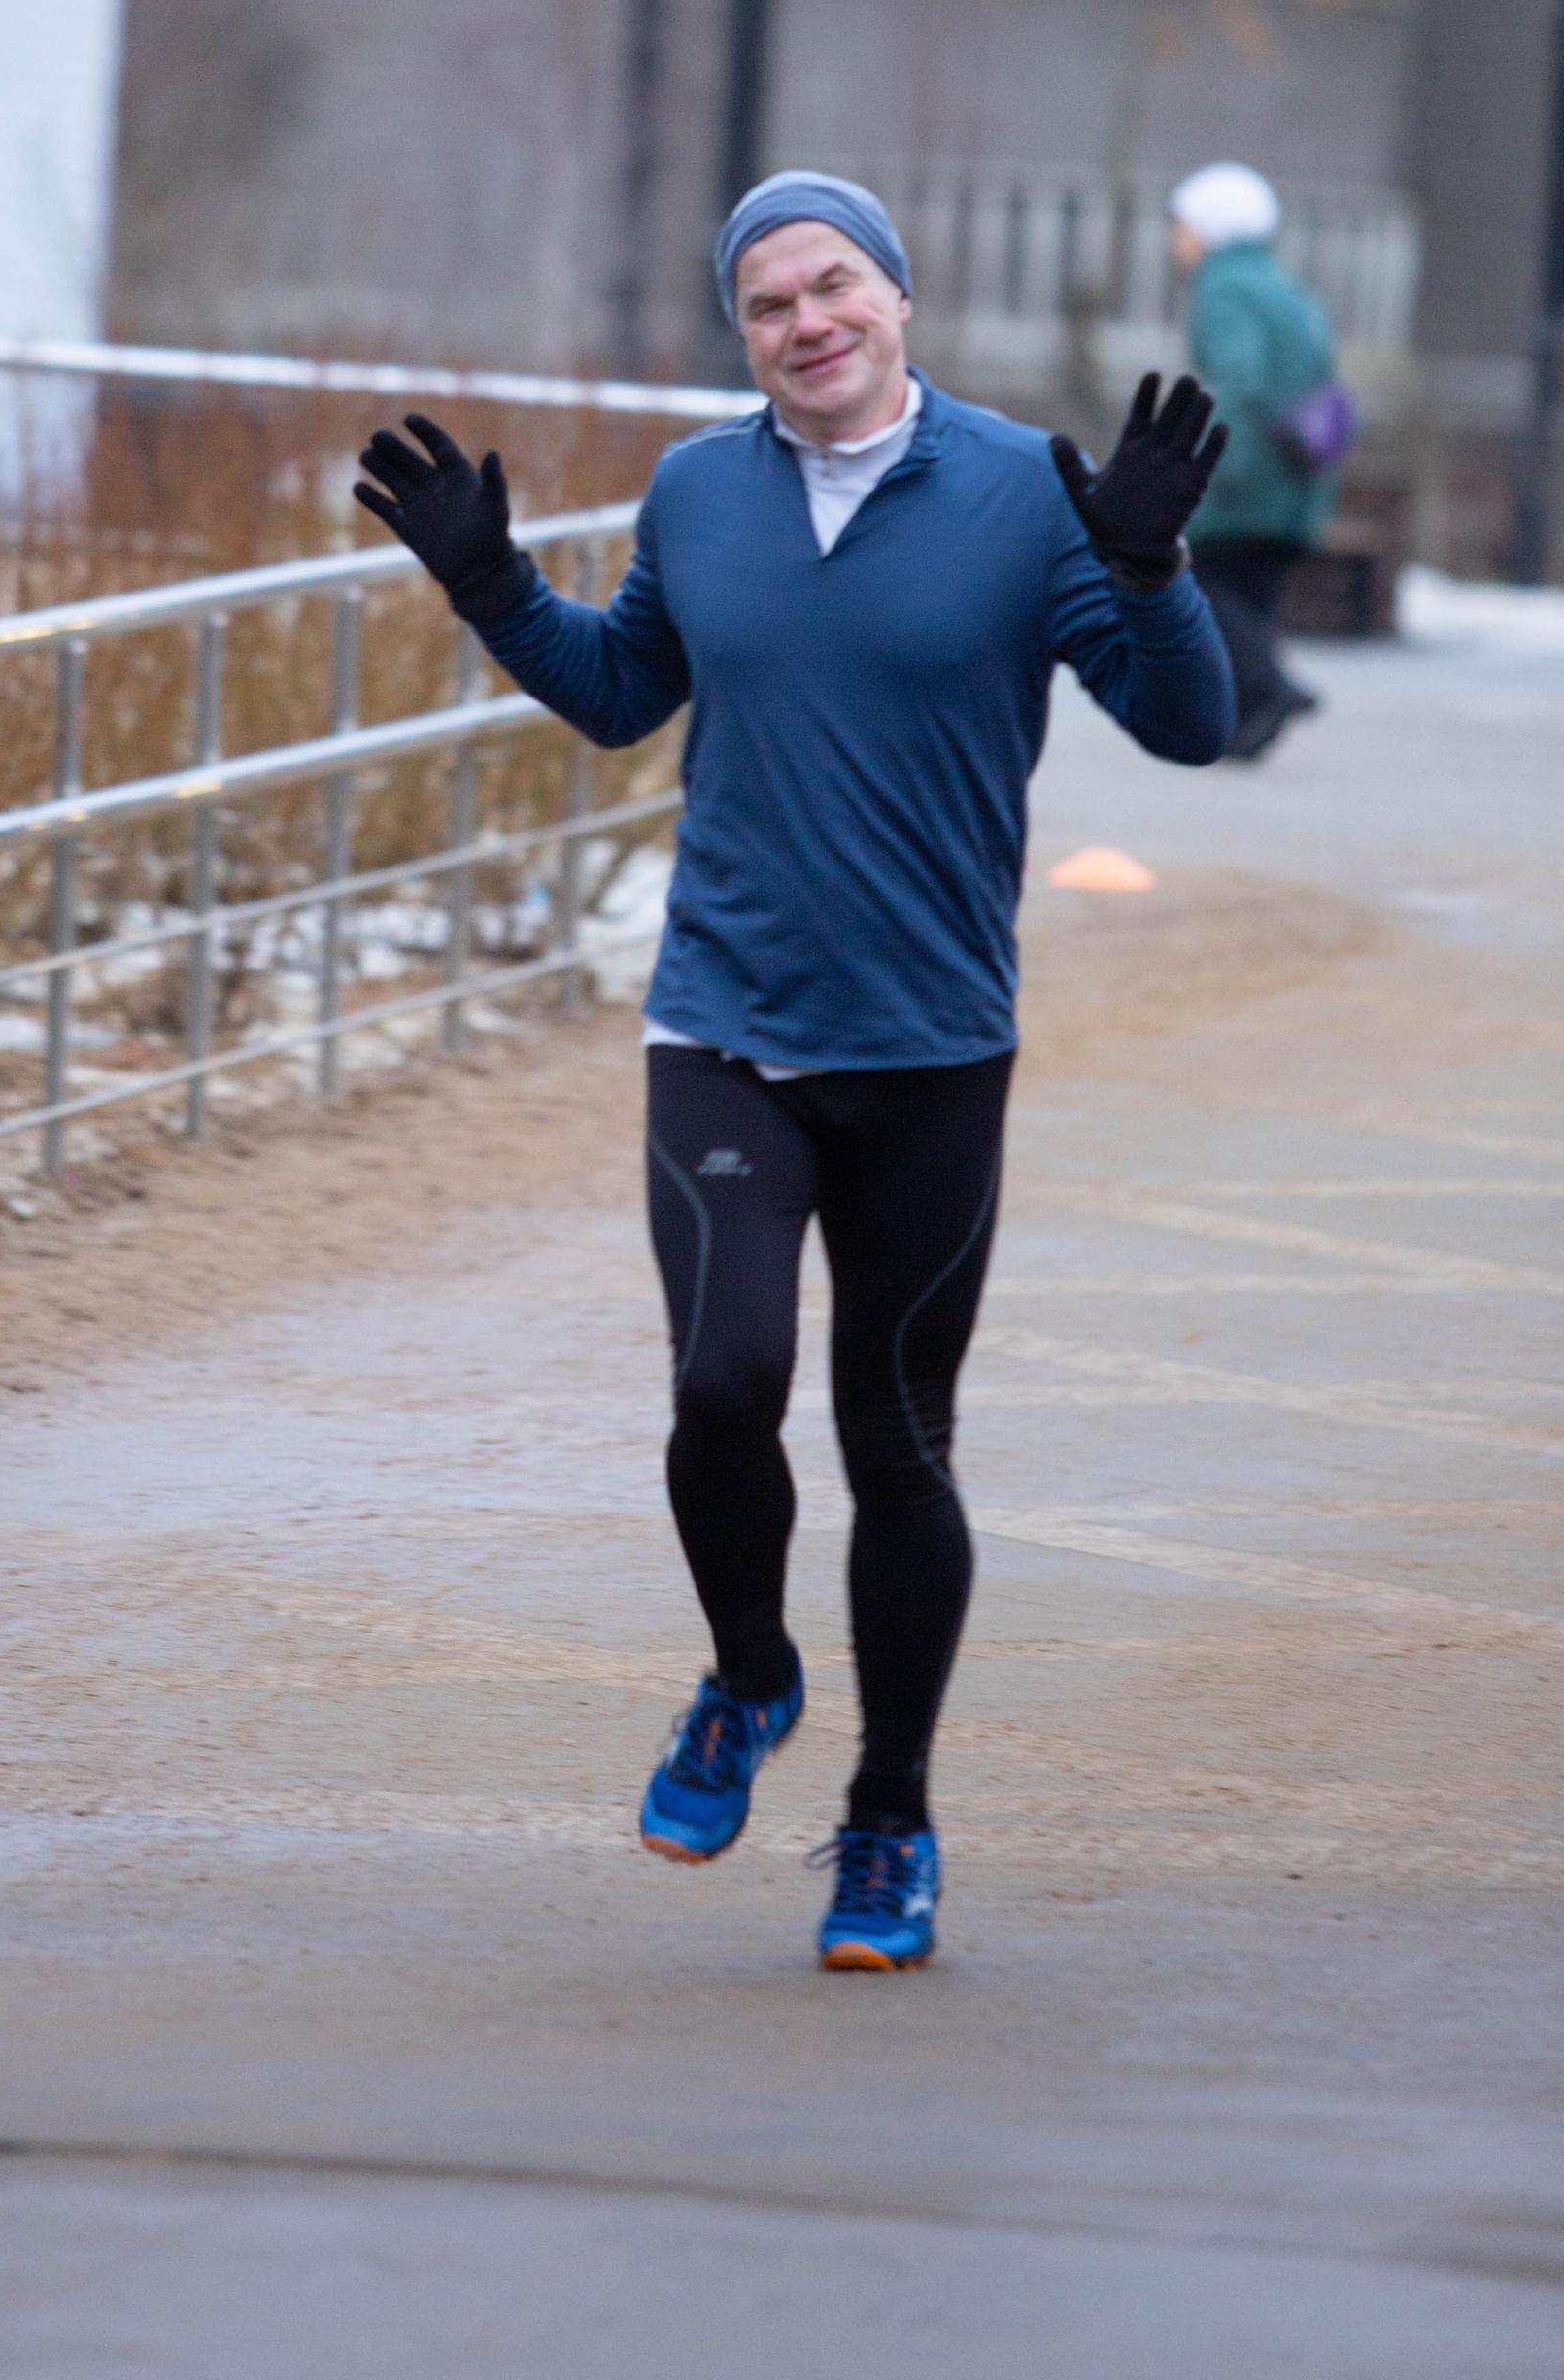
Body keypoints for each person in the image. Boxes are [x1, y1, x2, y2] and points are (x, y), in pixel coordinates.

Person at [355, 172, 1235, 1973]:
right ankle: (749, 1679)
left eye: (835, 284)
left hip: (930, 1048)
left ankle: (890, 1824)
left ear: (899, 299)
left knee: (897, 1447)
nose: (807, 322)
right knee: (720, 1381)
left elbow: (1189, 723)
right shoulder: (700, 489)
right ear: (742, 335)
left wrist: (1147, 574)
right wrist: (493, 586)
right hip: (728, 1023)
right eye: (768, 304)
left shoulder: (1019, 496)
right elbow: (618, 693)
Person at [1167, 162, 1342, 765]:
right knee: (1251, 594)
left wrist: (1219, 470)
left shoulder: (1223, 289)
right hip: (1301, 473)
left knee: (1197, 576)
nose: (1177, 239)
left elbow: (1238, 383)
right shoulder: (1285, 287)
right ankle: (1246, 720)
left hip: (1248, 475)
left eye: (1184, 224)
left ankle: (1269, 687)